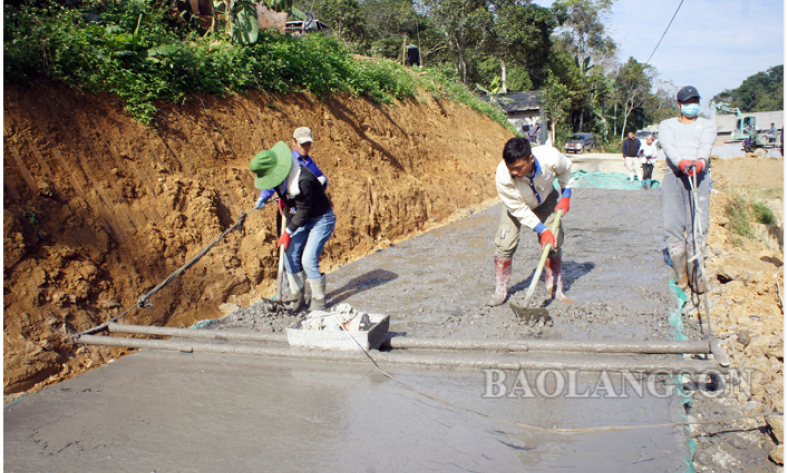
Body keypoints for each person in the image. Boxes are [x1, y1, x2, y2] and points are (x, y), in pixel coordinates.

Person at [249, 140, 336, 311]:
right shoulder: (279, 177)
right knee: (289, 255)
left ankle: (319, 302)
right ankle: (298, 298)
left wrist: (288, 232)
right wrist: (263, 198)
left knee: (308, 259)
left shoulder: (302, 179)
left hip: (321, 219)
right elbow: (273, 189)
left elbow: (303, 210)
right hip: (301, 217)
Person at [486, 137, 574, 306]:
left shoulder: (550, 157)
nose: (514, 173)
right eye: (511, 168)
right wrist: (542, 229)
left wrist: (566, 196)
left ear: (531, 159)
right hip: (517, 205)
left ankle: (555, 288)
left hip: (545, 200)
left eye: (519, 168)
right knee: (504, 243)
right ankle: (500, 290)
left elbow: (565, 170)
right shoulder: (504, 175)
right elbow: (518, 209)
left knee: (554, 241)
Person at [658, 85, 717, 294]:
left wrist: (700, 163)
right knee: (672, 224)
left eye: (695, 102)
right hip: (674, 175)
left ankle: (695, 272)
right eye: (688, 102)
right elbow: (668, 145)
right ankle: (680, 273)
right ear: (679, 104)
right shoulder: (667, 125)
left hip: (699, 176)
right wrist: (681, 162)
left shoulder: (708, 125)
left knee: (698, 225)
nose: (692, 106)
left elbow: (706, 146)